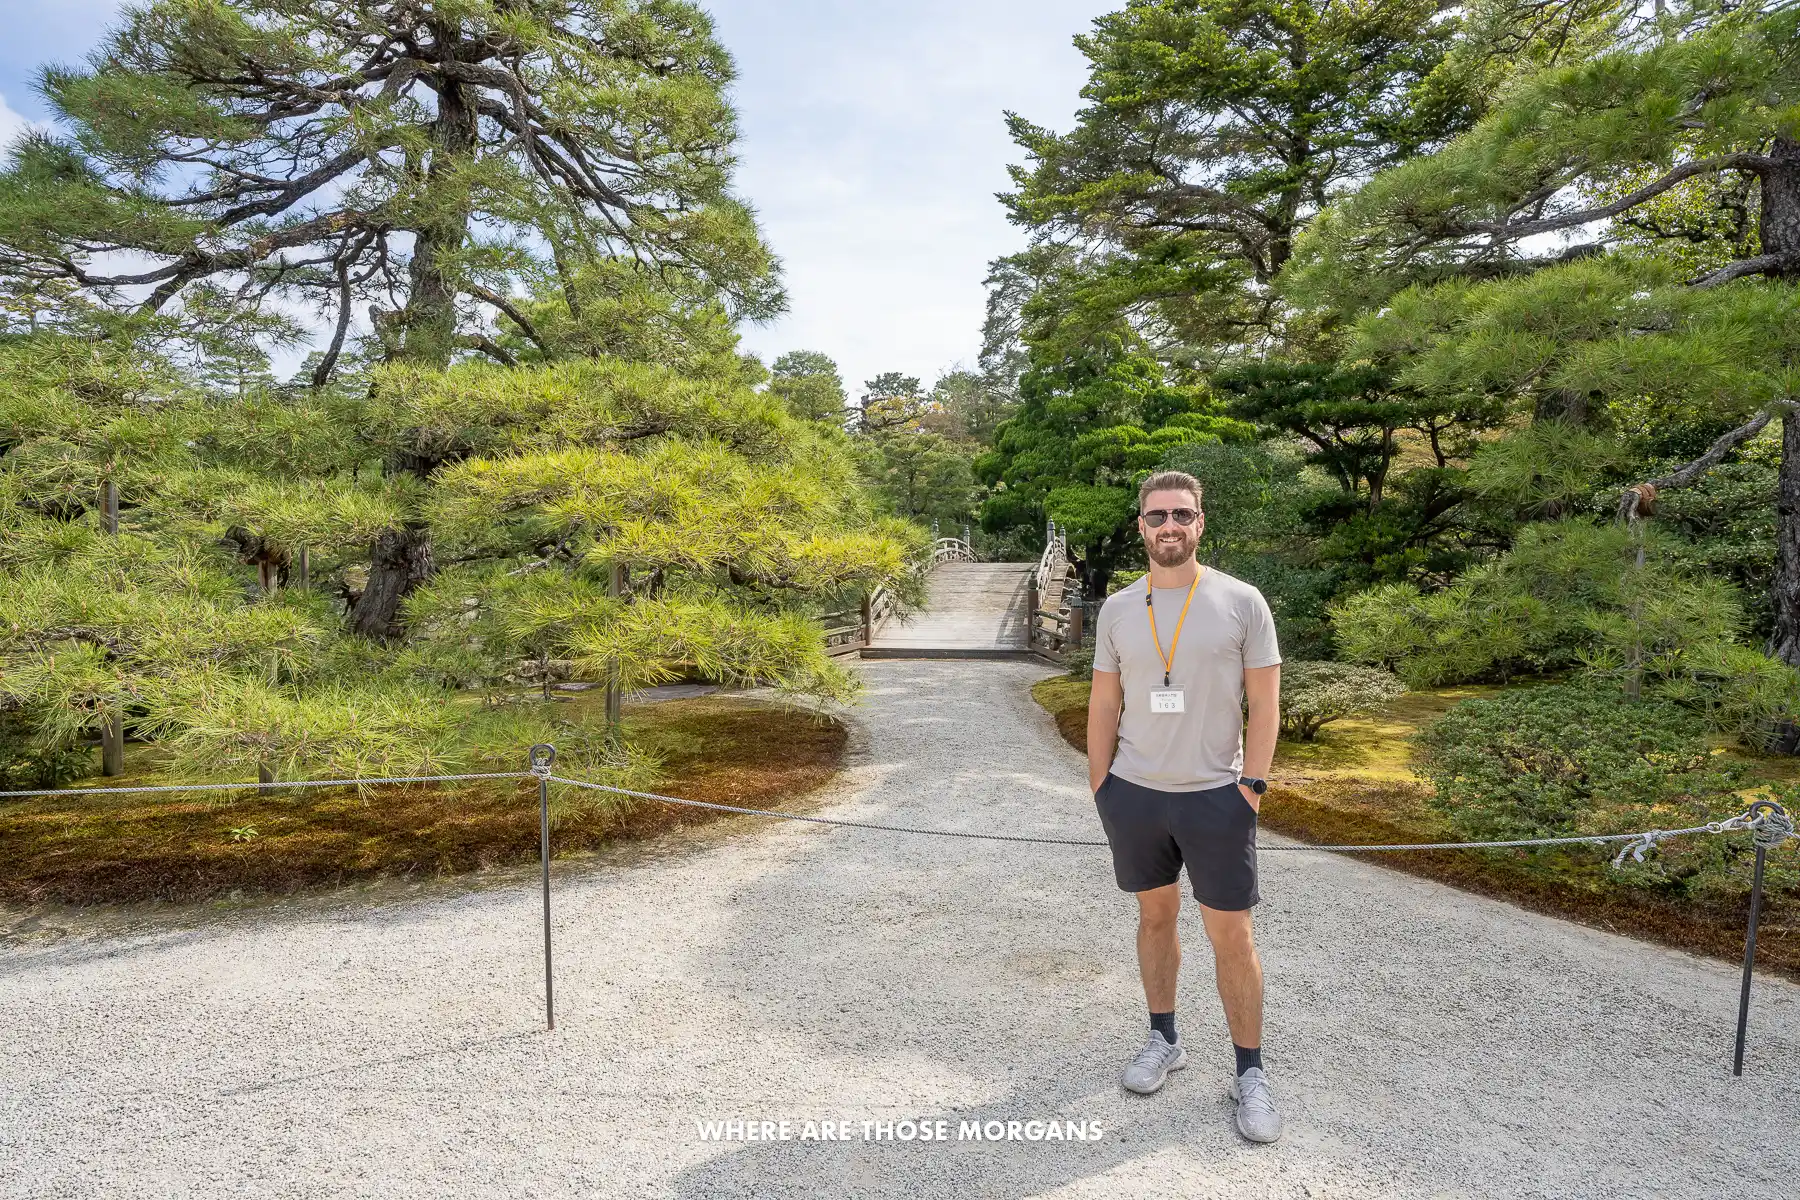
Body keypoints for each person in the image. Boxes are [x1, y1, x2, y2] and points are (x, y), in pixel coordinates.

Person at [1085, 469, 1284, 1143]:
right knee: (1154, 918)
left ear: (1201, 522)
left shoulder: (1241, 602)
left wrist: (1251, 785)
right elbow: (1105, 703)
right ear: (1139, 526)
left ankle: (1250, 1073)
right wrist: (1099, 783)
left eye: (1182, 514)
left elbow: (1265, 700)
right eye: (1156, 516)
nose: (1169, 526)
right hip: (1135, 795)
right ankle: (1163, 1038)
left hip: (1214, 796)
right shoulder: (1118, 608)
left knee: (1232, 936)